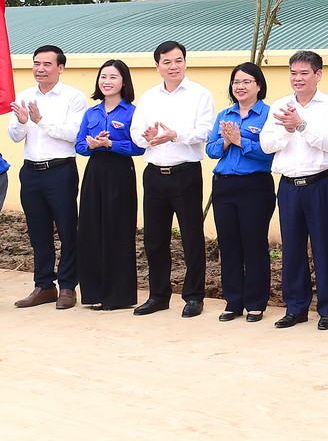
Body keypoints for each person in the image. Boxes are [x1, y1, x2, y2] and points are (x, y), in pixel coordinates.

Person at [131, 40, 217, 318]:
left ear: (185, 62)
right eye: (166, 62)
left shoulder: (200, 94)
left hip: (185, 174)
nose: (173, 66)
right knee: (154, 239)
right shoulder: (148, 97)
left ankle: (194, 296)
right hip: (154, 173)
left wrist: (175, 135)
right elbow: (135, 131)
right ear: (157, 66)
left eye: (178, 60)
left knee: (191, 237)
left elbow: (205, 131)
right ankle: (158, 295)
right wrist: (144, 137)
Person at [260, 50, 328, 330]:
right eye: (293, 73)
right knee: (292, 249)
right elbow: (266, 144)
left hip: (320, 184)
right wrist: (287, 128)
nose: (297, 78)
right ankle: (296, 307)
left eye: (304, 73)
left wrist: (300, 125)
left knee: (324, 248)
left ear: (318, 75)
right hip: (288, 187)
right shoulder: (279, 105)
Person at [8, 45, 86, 309]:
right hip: (30, 171)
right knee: (38, 232)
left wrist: (40, 121)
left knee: (67, 230)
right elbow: (15, 136)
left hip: (60, 171)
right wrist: (21, 121)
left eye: (47, 64)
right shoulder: (24, 95)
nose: (40, 69)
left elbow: (74, 134)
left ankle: (67, 287)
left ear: (60, 68)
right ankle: (43, 286)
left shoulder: (73, 97)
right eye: (36, 63)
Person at [205, 62, 275, 323]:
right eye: (236, 82)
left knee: (254, 243)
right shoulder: (225, 114)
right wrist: (225, 140)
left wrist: (240, 141)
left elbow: (269, 151)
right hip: (224, 185)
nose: (240, 86)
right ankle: (233, 301)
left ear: (259, 85)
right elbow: (211, 150)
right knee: (229, 244)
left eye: (247, 81)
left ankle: (256, 302)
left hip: (255, 186)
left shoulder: (269, 114)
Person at [74, 60, 144, 310]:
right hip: (95, 172)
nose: (107, 81)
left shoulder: (133, 112)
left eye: (113, 77)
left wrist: (111, 144)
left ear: (124, 81)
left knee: (118, 230)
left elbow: (139, 146)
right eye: (103, 76)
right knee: (91, 230)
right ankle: (94, 293)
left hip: (120, 172)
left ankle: (118, 296)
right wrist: (92, 145)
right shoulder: (91, 113)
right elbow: (79, 146)